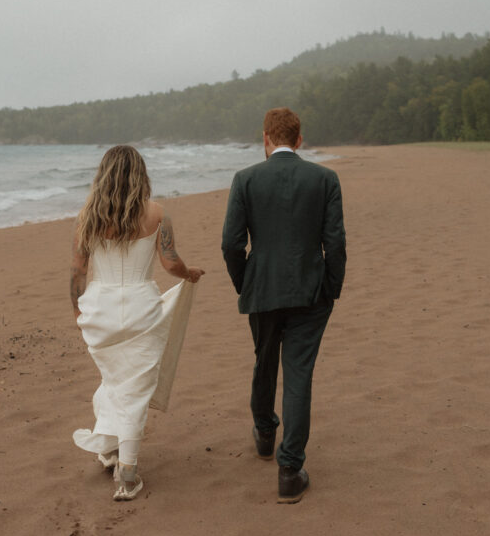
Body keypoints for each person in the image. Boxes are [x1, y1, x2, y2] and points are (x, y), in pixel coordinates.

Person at [221, 107, 346, 503]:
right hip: (310, 291)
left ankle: (264, 432)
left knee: (264, 359)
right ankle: (289, 469)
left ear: (266, 139)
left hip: (263, 289)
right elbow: (336, 243)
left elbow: (231, 244)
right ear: (299, 139)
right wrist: (331, 287)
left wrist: (247, 283)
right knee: (298, 374)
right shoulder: (324, 178)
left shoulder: (245, 179)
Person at [70, 145, 204, 501]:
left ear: (103, 174)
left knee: (116, 380)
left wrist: (78, 314)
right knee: (134, 388)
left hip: (101, 310)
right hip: (142, 309)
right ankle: (126, 475)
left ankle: (110, 448)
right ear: (140, 174)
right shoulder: (157, 213)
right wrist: (190, 273)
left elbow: (78, 273)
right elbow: (171, 263)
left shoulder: (87, 217)